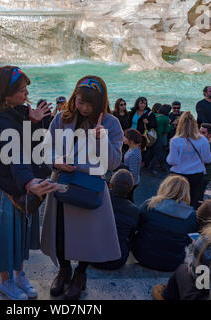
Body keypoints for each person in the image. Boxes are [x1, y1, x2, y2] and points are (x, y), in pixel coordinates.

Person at [41, 75, 123, 300]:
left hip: (89, 187)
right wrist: (56, 162)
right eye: (81, 101)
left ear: (100, 102)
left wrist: (101, 139)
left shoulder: (110, 123)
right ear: (74, 97)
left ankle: (80, 273)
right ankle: (64, 269)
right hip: (62, 184)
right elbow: (46, 149)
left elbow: (114, 163)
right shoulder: (61, 118)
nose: (85, 108)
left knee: (88, 236)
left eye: (90, 104)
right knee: (60, 234)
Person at [0, 66, 57, 300]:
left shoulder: (20, 111)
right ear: (6, 94)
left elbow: (33, 145)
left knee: (21, 235)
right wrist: (28, 182)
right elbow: (16, 152)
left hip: (25, 184)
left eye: (26, 89)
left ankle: (19, 275)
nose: (26, 94)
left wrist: (35, 122)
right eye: (22, 90)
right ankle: (5, 282)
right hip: (8, 188)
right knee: (7, 238)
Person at [131, 175, 196, 272]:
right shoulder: (191, 214)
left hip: (143, 255)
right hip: (173, 261)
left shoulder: (150, 204)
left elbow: (135, 225)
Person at [90, 169, 140, 270]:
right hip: (117, 260)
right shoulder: (134, 210)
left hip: (91, 256)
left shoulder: (97, 200)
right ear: (130, 189)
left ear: (110, 185)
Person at [167, 111, 211, 209]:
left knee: (176, 199)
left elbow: (172, 161)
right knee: (193, 199)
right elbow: (208, 159)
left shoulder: (175, 141)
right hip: (197, 174)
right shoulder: (203, 140)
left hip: (179, 174)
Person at [123, 128, 146, 202]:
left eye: (125, 137)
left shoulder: (134, 154)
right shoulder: (132, 148)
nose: (123, 138)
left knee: (128, 200)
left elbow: (133, 173)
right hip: (130, 180)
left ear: (131, 140)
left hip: (131, 182)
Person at [150, 104, 171, 175]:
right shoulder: (165, 118)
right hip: (160, 137)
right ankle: (153, 168)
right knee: (159, 154)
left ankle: (151, 166)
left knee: (152, 152)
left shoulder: (155, 115)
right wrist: (172, 125)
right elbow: (166, 130)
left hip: (153, 136)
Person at [199, 123, 211, 199]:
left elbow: (207, 161)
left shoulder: (208, 146)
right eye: (199, 132)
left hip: (204, 175)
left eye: (203, 133)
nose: (199, 134)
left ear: (210, 134)